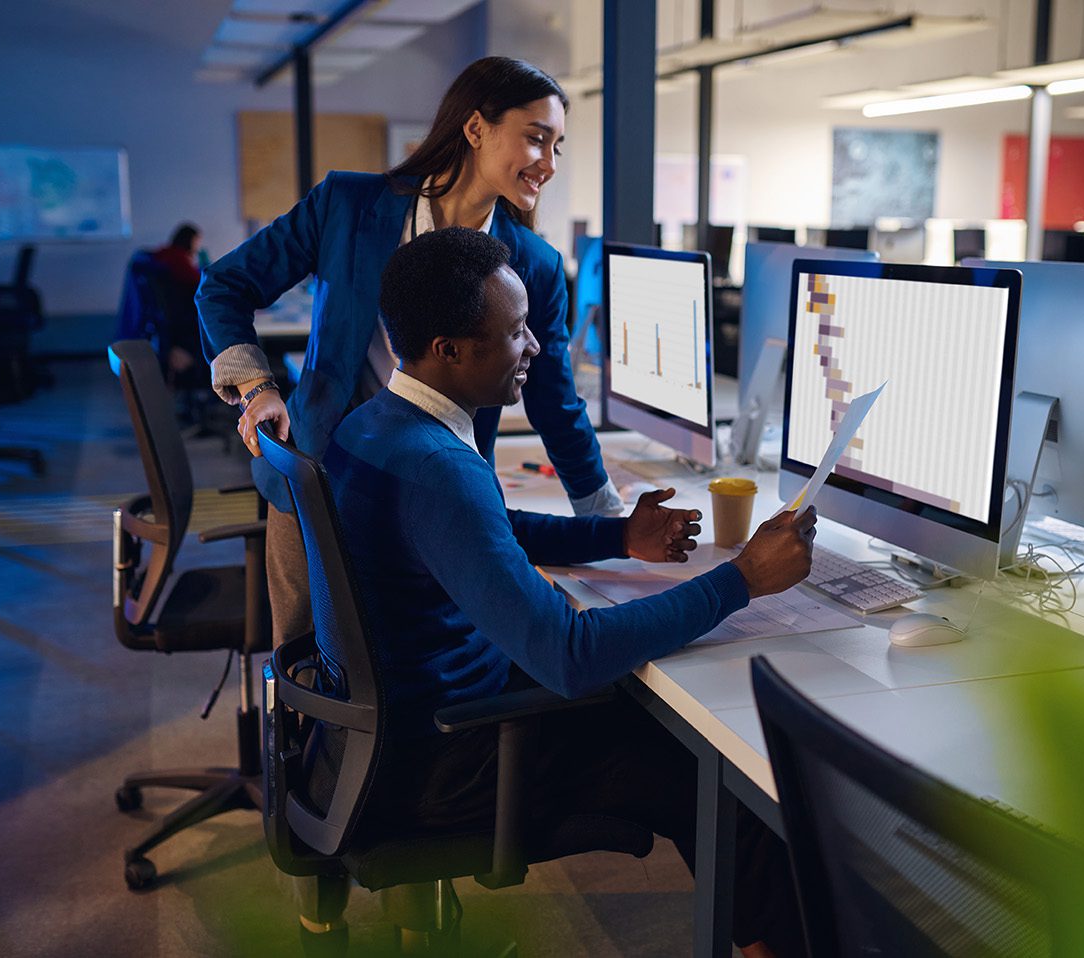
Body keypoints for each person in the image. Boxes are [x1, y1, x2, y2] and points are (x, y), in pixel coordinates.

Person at [321, 227, 816, 957]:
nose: (535, 347)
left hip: (382, 736)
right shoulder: (438, 466)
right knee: (716, 769)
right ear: (448, 350)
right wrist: (742, 579)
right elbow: (569, 655)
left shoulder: (373, 426)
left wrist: (617, 537)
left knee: (649, 706)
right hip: (443, 763)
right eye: (515, 332)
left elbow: (488, 529)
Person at [197, 56, 622, 645]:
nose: (549, 163)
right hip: (321, 477)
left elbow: (555, 403)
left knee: (428, 667)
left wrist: (607, 518)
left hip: (440, 496)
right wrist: (257, 387)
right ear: (475, 129)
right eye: (536, 139)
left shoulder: (534, 264)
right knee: (308, 660)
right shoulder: (350, 206)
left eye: (558, 147)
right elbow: (224, 285)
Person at [151, 223, 204, 384]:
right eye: (197, 241)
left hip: (173, 323)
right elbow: (199, 283)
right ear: (189, 240)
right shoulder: (178, 258)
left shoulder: (164, 255)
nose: (198, 246)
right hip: (185, 323)